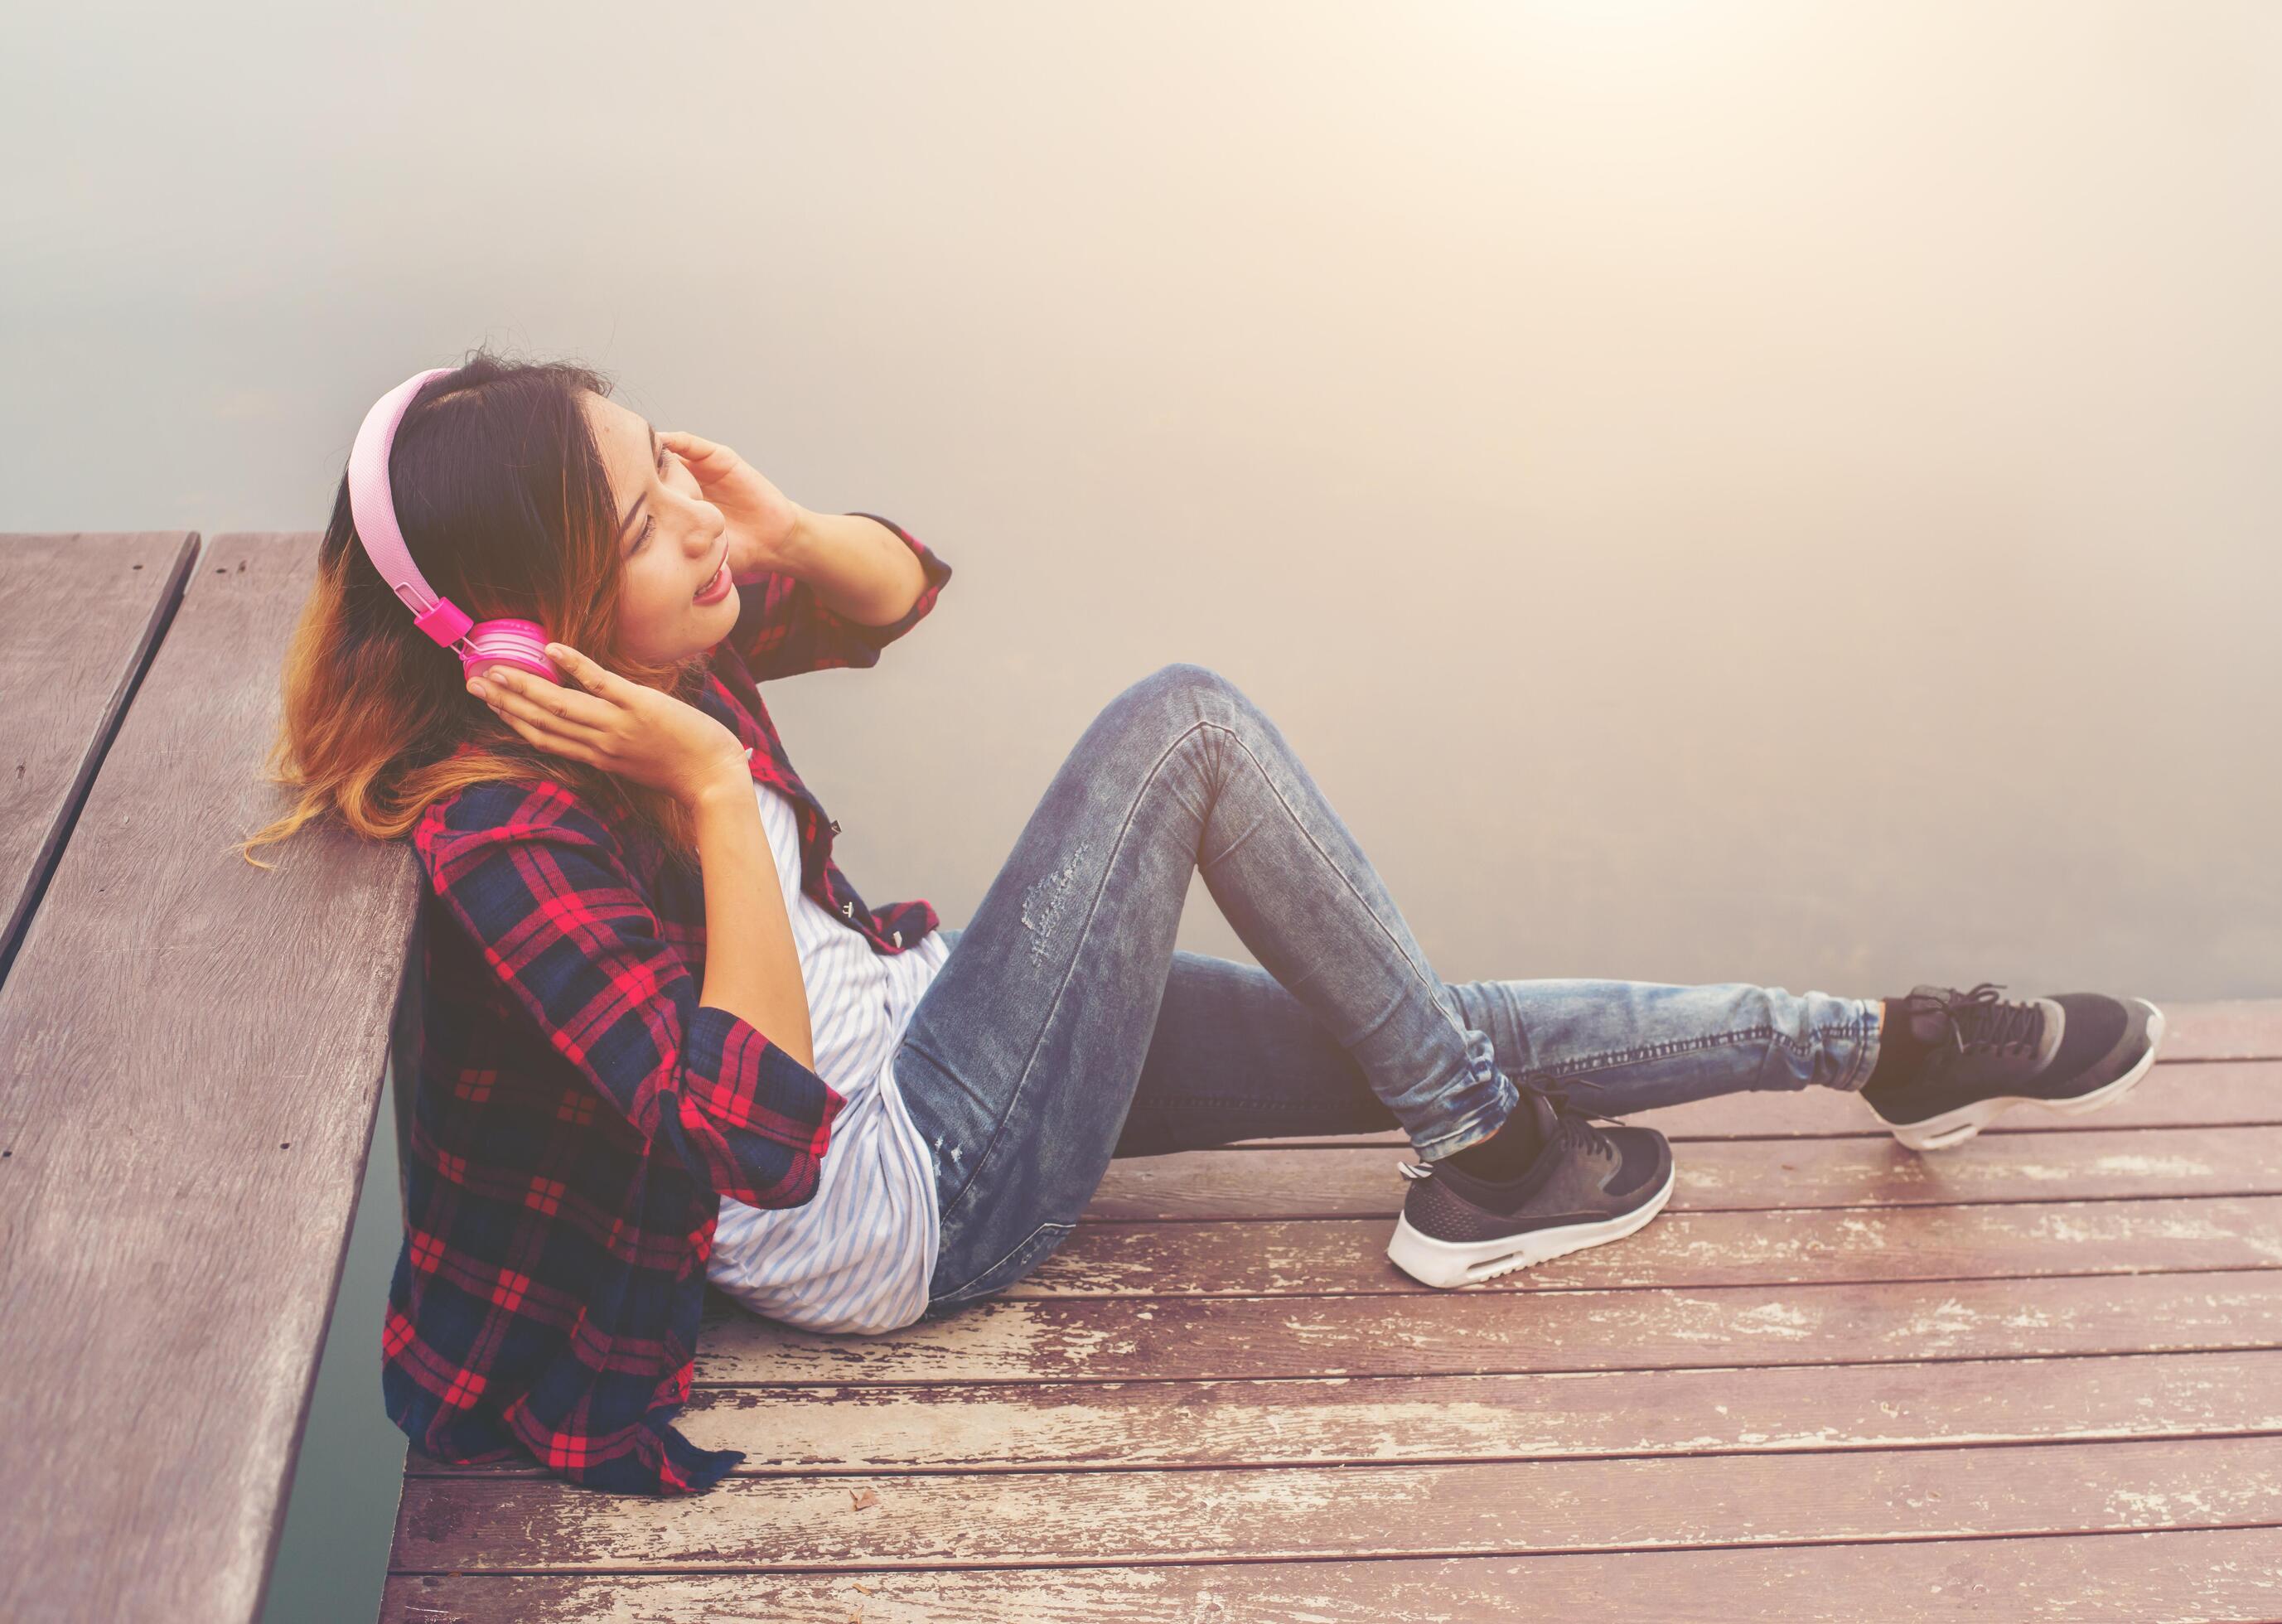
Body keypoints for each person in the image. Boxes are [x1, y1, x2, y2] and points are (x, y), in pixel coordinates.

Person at [244, 349, 2164, 1497]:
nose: (688, 518)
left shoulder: (644, 652)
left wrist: (773, 519)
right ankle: (1488, 1154)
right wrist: (698, 802)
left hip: (937, 1035)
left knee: (1421, 1012)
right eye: (638, 510)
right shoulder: (513, 819)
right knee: (1183, 726)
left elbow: (893, 594)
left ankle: (1878, 1045)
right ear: (517, 625)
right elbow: (754, 1136)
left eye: (666, 458)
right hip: (895, 1198)